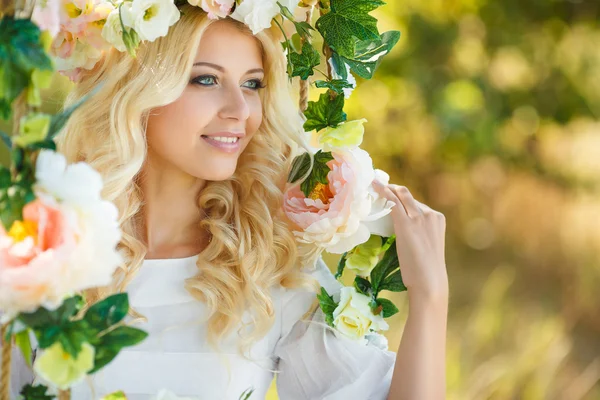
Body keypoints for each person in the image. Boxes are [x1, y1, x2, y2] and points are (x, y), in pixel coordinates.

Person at [8, 5, 448, 399]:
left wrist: (431, 296)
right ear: (140, 89)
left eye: (253, 84)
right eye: (206, 79)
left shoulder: (268, 263)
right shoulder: (46, 250)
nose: (240, 108)